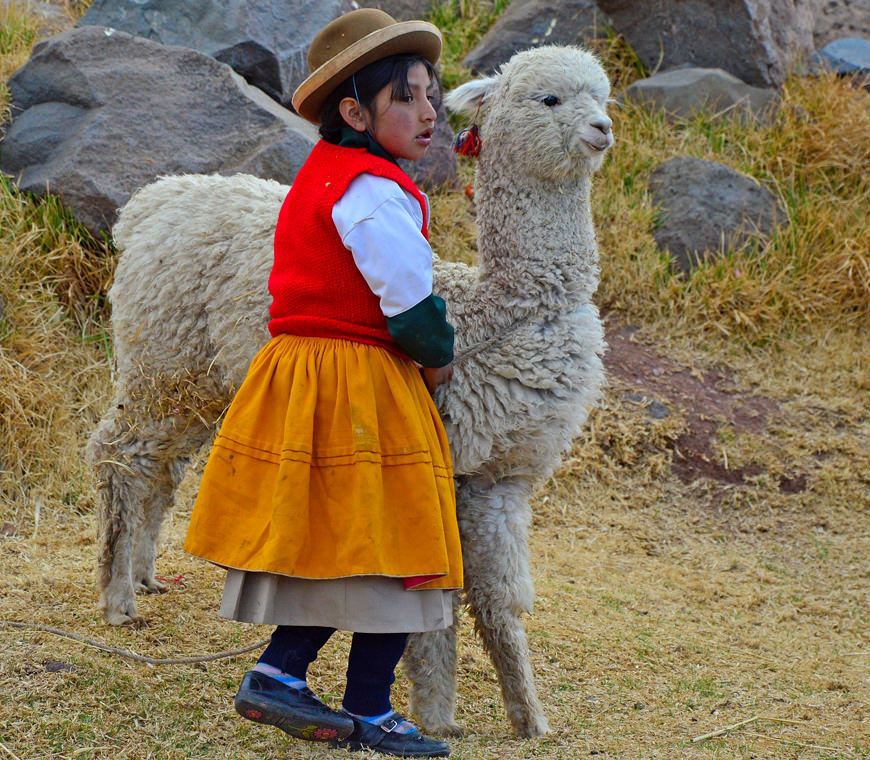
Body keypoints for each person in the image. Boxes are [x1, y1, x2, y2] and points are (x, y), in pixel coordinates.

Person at [182, 8, 461, 759]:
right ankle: (365, 707)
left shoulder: (323, 177)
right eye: (405, 96)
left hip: (308, 372)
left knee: (338, 543)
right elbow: (408, 302)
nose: (428, 110)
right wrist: (439, 357)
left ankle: (281, 674)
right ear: (353, 111)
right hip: (358, 379)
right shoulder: (374, 190)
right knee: (395, 542)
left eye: (431, 93)